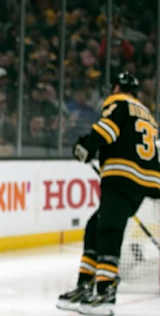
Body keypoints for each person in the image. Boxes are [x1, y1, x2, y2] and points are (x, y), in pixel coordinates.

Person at [56, 72, 160, 316]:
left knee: (109, 228)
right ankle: (86, 285)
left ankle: (105, 291)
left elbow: (107, 131)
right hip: (146, 179)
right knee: (96, 225)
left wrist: (86, 146)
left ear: (116, 87)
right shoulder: (146, 112)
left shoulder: (118, 101)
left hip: (124, 175)